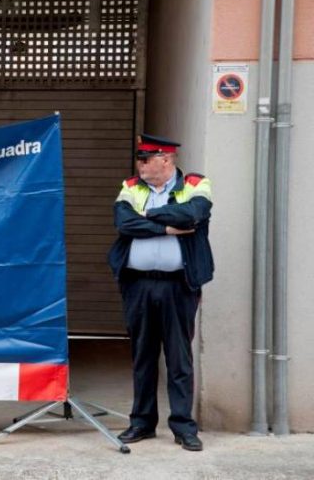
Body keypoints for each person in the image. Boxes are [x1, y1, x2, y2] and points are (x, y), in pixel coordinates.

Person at [107, 133, 214, 452]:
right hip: (138, 284)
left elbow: (192, 214)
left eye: (145, 159)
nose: (139, 164)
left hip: (178, 285)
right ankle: (142, 422)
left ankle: (183, 426)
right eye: (139, 159)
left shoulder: (196, 184)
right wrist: (166, 227)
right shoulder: (131, 187)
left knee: (179, 358)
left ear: (165, 159)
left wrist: (149, 217)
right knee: (143, 355)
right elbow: (124, 224)